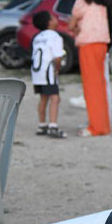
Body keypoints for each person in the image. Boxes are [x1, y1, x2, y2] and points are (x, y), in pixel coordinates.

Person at [66, 0, 112, 137]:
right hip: (101, 44)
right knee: (100, 85)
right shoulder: (102, 1)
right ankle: (102, 124)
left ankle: (96, 127)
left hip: (88, 45)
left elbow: (71, 25)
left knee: (91, 87)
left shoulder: (81, 2)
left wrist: (77, 29)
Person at [29, 10, 67, 139]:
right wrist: (58, 67)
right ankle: (53, 126)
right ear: (49, 22)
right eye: (53, 17)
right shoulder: (55, 36)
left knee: (43, 97)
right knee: (55, 98)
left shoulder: (37, 37)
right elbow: (57, 57)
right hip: (48, 72)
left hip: (36, 72)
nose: (56, 18)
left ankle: (42, 125)